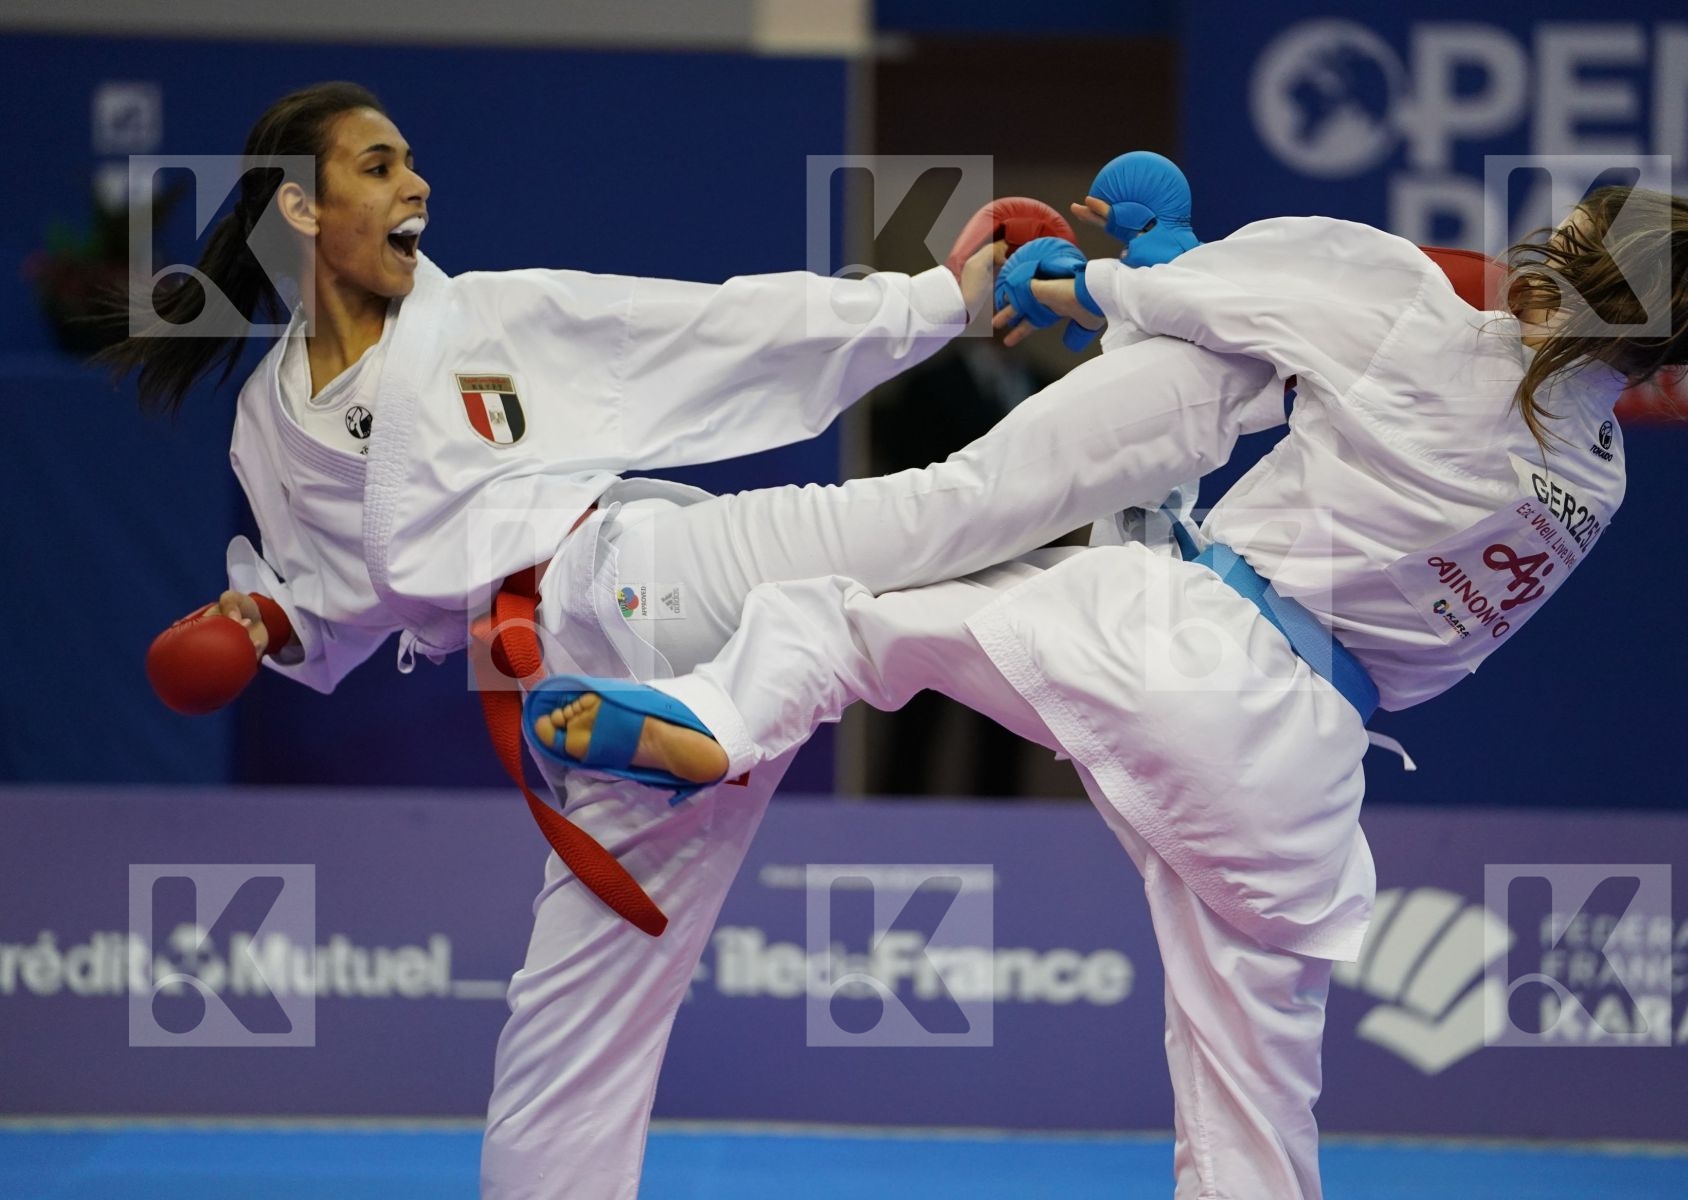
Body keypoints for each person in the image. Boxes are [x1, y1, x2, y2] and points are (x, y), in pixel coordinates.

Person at [108, 85, 1298, 1198]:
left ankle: (1167, 417)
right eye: (381, 165)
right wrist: (258, 622)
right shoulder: (270, 418)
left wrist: (934, 301)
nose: (418, 182)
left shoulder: (483, 318)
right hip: (574, 669)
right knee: (582, 1005)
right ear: (301, 208)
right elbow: (335, 595)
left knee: (929, 532)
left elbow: (709, 328)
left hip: (639, 575)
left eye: (414, 160)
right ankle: (1151, 512)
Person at [525, 186, 1688, 1199]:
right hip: (1309, 774)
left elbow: (1215, 302)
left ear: (1569, 262)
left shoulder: (1429, 330)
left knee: (857, 623)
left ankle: (717, 720)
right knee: (1255, 1114)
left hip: (1193, 645)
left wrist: (1085, 281)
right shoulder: (1598, 481)